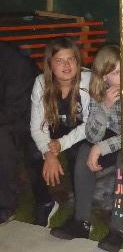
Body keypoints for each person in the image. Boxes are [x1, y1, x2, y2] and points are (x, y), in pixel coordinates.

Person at [50, 44, 123, 247]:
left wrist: (101, 148)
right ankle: (81, 222)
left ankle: (119, 228)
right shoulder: (99, 92)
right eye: (115, 73)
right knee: (85, 151)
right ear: (104, 77)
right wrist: (104, 107)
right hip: (119, 134)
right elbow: (92, 135)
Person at [30, 38, 91, 222]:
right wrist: (49, 153)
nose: (66, 65)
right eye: (59, 60)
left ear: (78, 61)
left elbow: (90, 124)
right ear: (50, 64)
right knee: (32, 151)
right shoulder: (41, 83)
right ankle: (45, 203)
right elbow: (37, 126)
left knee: (77, 152)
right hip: (55, 129)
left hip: (82, 131)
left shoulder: (87, 80)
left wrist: (61, 144)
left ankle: (80, 208)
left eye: (71, 59)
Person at [0, 44, 47, 224]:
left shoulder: (15, 63)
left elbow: (15, 109)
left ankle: (5, 207)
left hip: (31, 117)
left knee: (3, 142)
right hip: (8, 115)